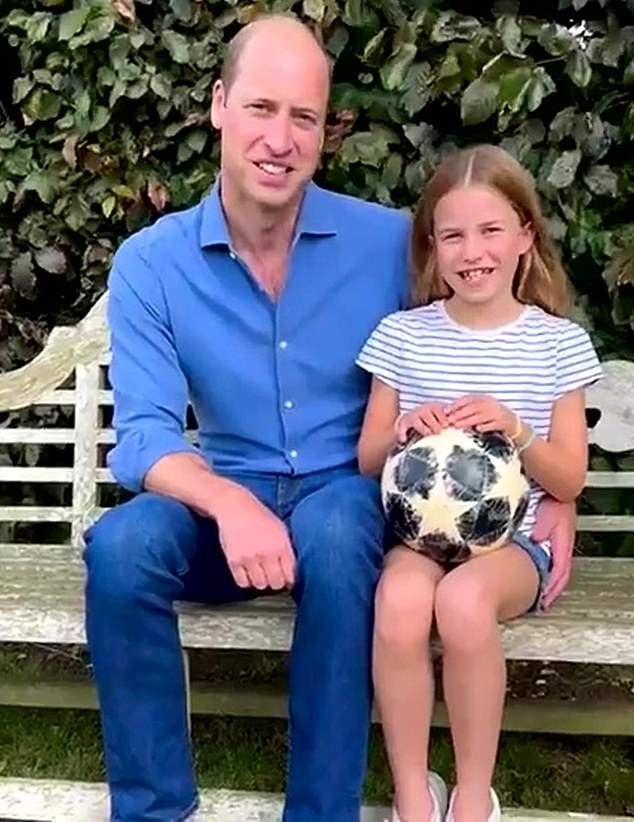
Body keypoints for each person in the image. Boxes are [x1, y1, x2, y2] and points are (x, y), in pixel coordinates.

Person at [82, 12, 576, 821]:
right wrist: (231, 503)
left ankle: (321, 812)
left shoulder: (386, 244)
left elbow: (492, 341)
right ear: (217, 105)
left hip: (346, 491)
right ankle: (153, 810)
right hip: (225, 504)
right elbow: (144, 437)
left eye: (303, 117)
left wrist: (554, 493)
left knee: (341, 529)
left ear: (324, 132)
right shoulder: (152, 262)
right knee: (122, 546)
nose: (280, 138)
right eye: (261, 108)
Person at [356, 144, 602, 822]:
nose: (474, 252)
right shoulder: (402, 336)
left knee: (464, 604)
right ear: (432, 246)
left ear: (525, 236)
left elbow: (571, 477)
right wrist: (404, 425)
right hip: (422, 538)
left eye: (492, 230)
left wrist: (517, 431)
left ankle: (471, 796)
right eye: (454, 235)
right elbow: (368, 455)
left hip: (515, 547)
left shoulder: (557, 344)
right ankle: (412, 791)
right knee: (401, 603)